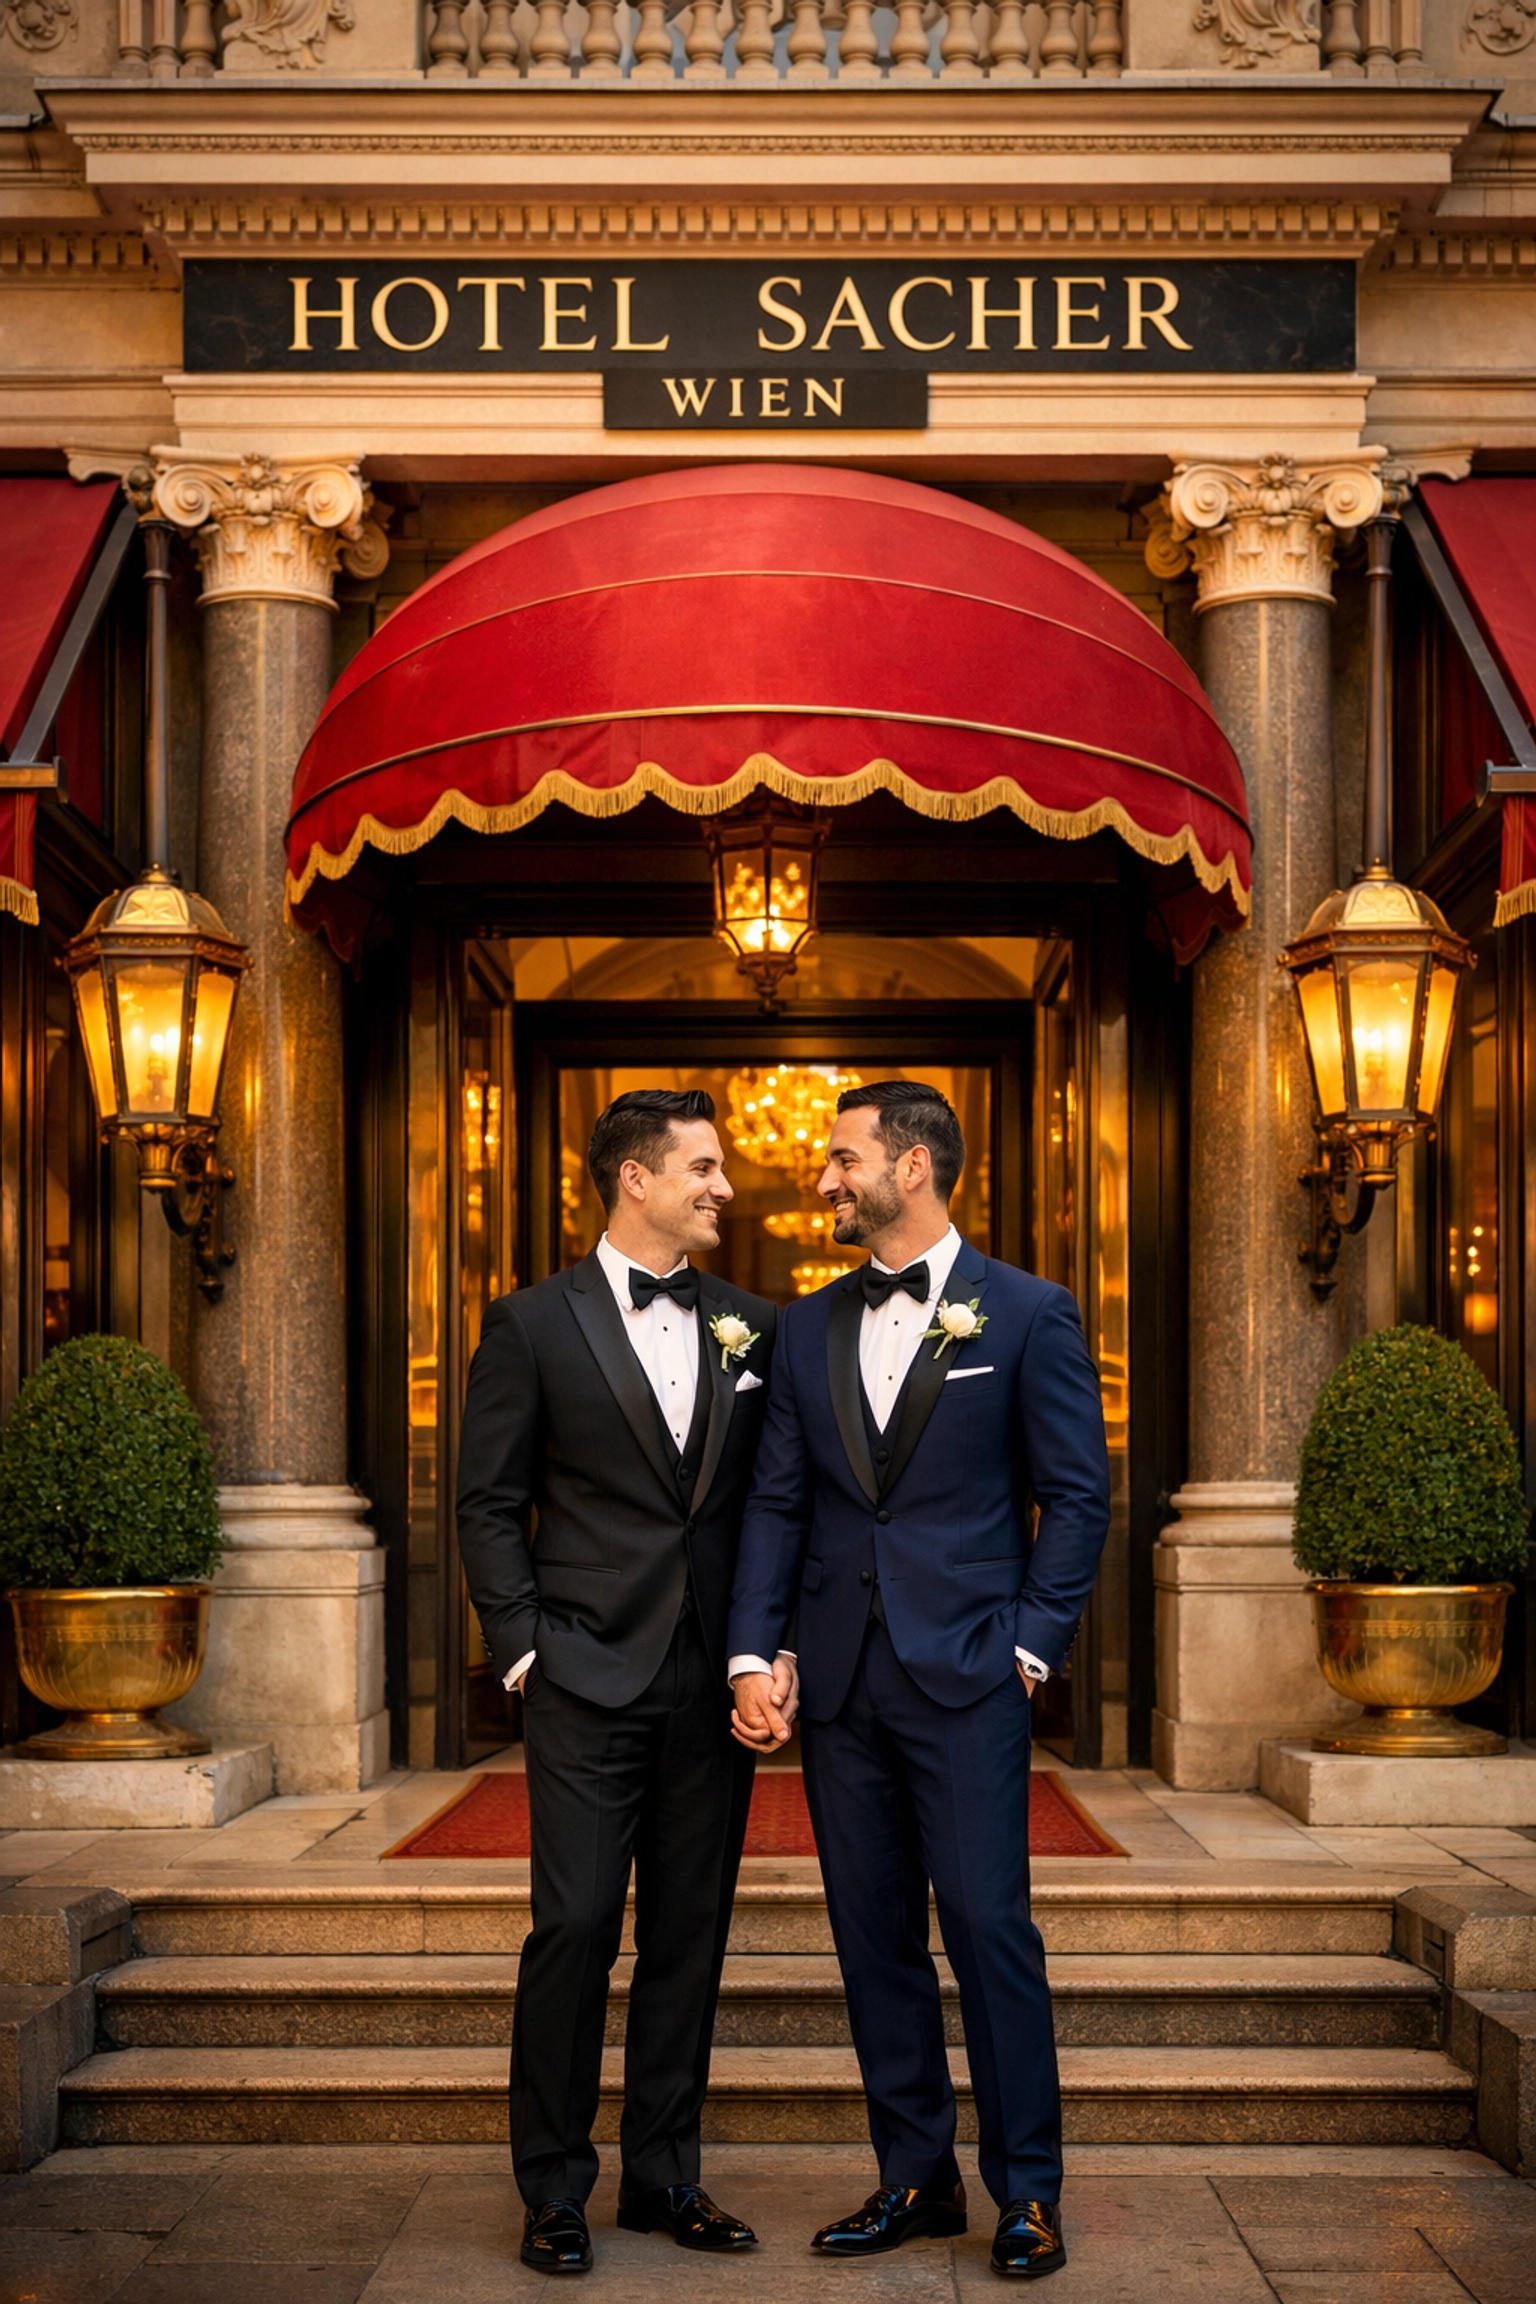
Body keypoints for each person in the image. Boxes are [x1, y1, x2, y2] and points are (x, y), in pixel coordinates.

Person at [728, 1080, 1109, 2282]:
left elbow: (1077, 1496)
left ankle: (1028, 2192)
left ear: (915, 1164)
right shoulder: (805, 1326)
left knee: (992, 1930)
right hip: (839, 1687)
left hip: (970, 1678)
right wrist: (756, 1650)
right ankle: (914, 2178)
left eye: (844, 1160)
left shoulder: (1030, 1314)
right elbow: (780, 1501)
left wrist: (1031, 1644)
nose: (826, 1180)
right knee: (872, 1939)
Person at [457, 1087, 789, 2276]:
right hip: (584, 1675)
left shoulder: (755, 1322)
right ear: (634, 1179)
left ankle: (664, 2177)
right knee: (578, 1929)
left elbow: (767, 1506)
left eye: (722, 1168)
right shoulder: (531, 1323)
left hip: (709, 1684)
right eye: (702, 1167)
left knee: (689, 1939)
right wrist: (527, 1645)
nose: (723, 1188)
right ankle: (552, 2188)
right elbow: (488, 1502)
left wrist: (764, 1651)